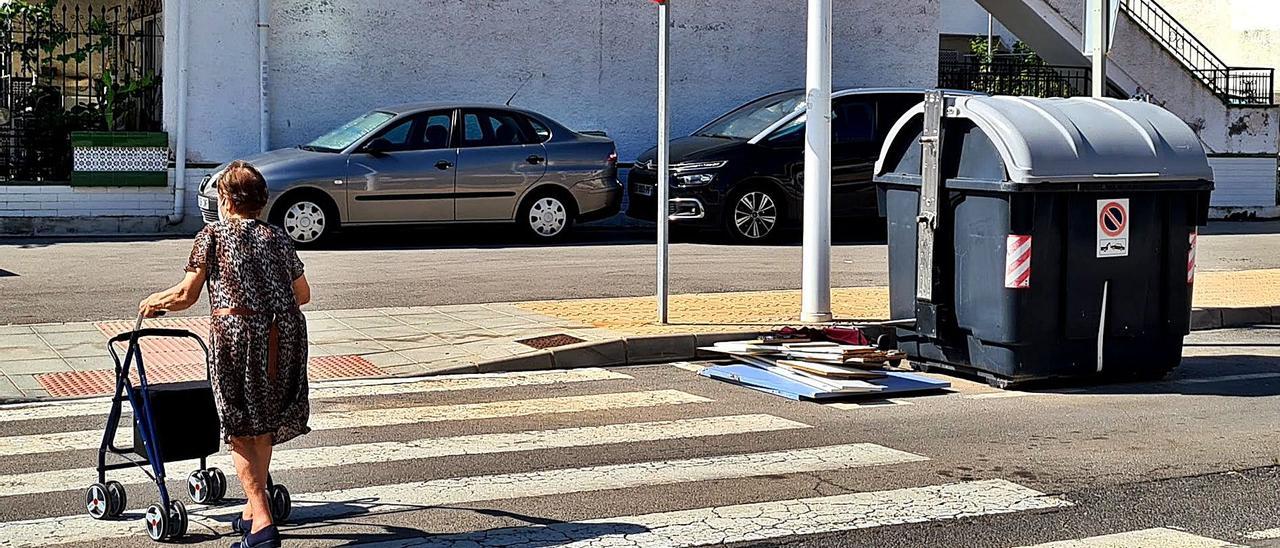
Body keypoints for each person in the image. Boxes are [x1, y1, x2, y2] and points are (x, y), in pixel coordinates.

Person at [139, 161, 311, 548]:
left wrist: (154, 302)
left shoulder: (212, 235)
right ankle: (253, 512)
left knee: (239, 425)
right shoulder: (277, 237)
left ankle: (263, 522)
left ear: (225, 198)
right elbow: (302, 294)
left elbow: (185, 295)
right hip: (283, 336)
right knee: (261, 422)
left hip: (239, 336)